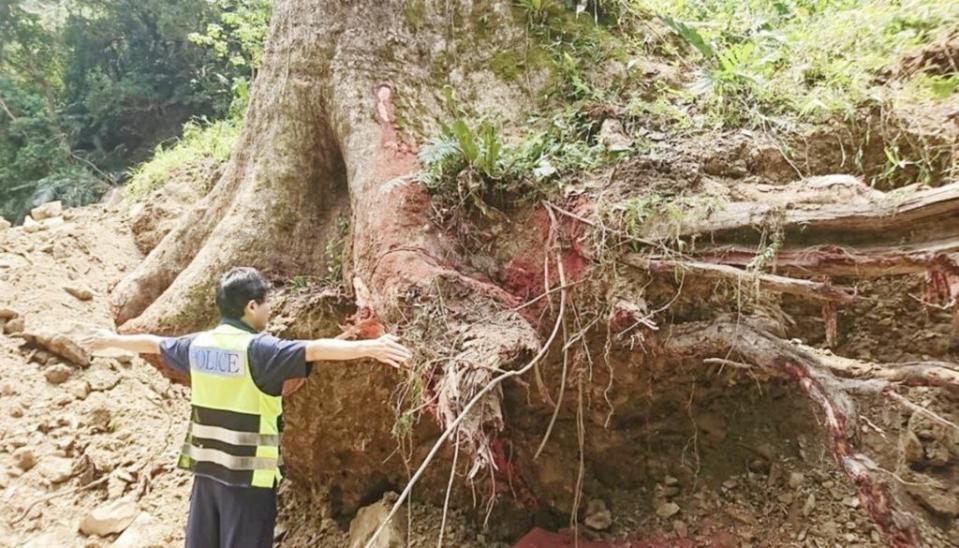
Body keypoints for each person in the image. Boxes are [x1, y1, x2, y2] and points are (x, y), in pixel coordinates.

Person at [80, 267, 412, 548]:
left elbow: (153, 343)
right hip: (248, 476)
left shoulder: (199, 344)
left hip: (206, 468)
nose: (269, 311)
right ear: (251, 306)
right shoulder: (259, 350)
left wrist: (111, 341)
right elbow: (313, 349)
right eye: (266, 304)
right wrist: (372, 348)